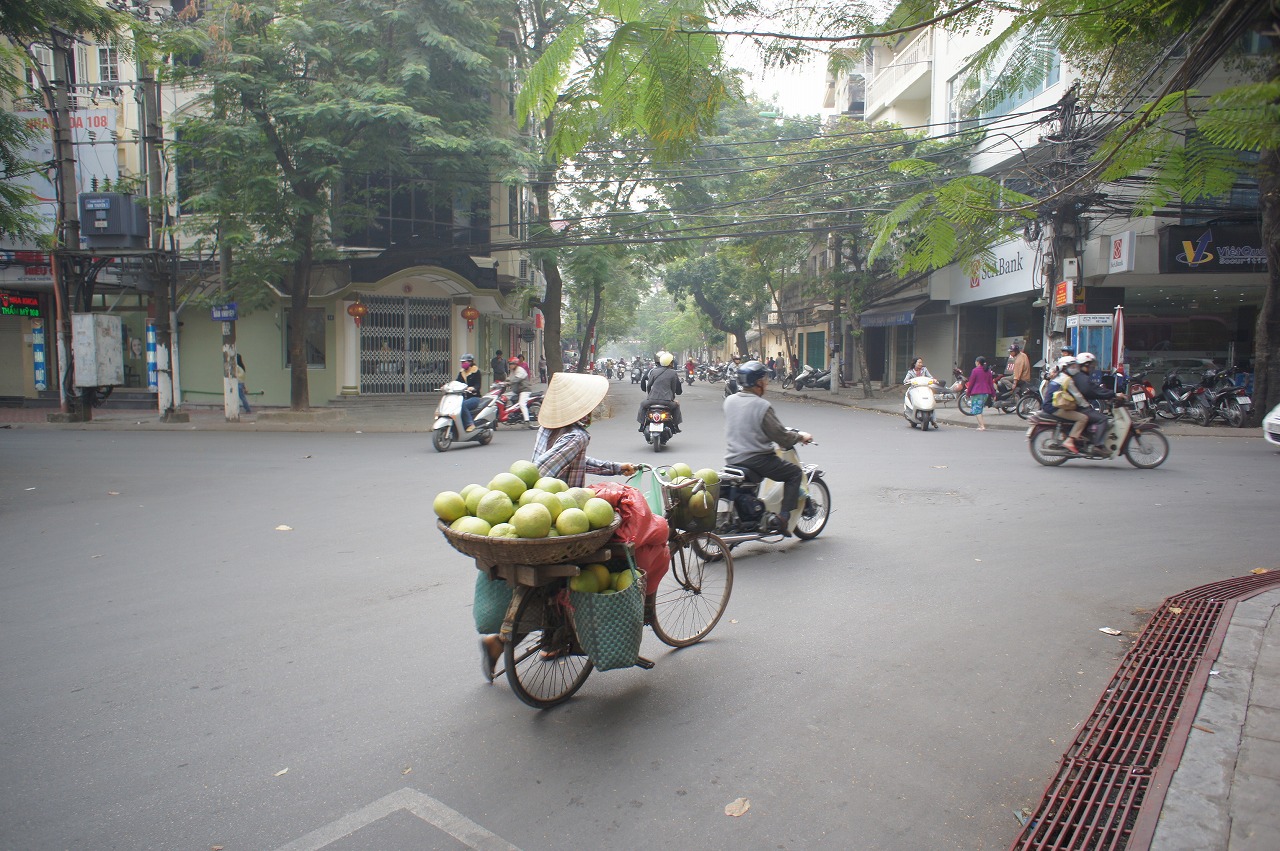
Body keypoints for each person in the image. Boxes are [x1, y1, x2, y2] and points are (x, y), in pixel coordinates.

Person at [478, 373, 637, 679]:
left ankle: (544, 640)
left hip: (533, 513)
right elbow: (540, 473)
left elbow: (573, 459)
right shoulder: (577, 435)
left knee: (549, 583)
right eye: (588, 407)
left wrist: (615, 468)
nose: (592, 411)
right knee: (592, 566)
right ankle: (520, 639)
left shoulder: (550, 429)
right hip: (554, 516)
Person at [723, 360, 813, 536]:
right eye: (764, 379)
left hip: (732, 458)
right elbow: (781, 437)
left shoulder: (730, 401)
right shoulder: (762, 406)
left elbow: (745, 425)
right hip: (758, 459)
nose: (766, 382)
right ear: (757, 383)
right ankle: (784, 518)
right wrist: (800, 436)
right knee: (794, 473)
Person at [1041, 355, 1089, 454]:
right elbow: (1078, 396)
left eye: (1075, 366)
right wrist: (1087, 406)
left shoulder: (1057, 376)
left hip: (1048, 405)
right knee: (1083, 418)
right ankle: (1070, 440)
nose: (1074, 369)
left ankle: (1066, 436)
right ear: (1064, 367)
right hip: (1054, 407)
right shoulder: (1067, 379)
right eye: (1072, 367)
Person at [1071, 352, 1117, 451]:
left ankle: (1088, 438)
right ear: (1085, 365)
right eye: (1090, 365)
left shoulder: (1080, 376)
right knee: (1103, 419)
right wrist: (1112, 394)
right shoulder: (1082, 378)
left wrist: (1108, 395)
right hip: (1080, 407)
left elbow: (1094, 390)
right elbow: (1093, 390)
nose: (1092, 368)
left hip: (1079, 405)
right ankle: (1098, 445)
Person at [639, 351, 683, 432]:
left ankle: (642, 425)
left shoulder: (654, 371)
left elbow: (648, 385)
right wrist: (672, 399)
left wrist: (649, 396)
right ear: (670, 363)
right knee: (676, 406)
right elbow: (673, 389)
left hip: (652, 400)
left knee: (642, 405)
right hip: (667, 401)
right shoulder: (673, 373)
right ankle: (676, 426)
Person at [966, 356, 998, 430]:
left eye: (975, 361)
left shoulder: (975, 371)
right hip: (986, 393)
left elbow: (971, 383)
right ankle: (980, 425)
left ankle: (982, 426)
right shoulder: (988, 371)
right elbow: (991, 383)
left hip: (977, 392)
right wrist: (993, 394)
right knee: (980, 409)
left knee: (977, 410)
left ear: (978, 362)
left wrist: (968, 393)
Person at [456, 353, 483, 432]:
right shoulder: (461, 373)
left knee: (462, 405)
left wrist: (473, 388)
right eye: (462, 362)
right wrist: (447, 386)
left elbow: (478, 385)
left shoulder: (476, 372)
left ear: (470, 362)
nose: (462, 364)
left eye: (464, 362)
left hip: (475, 398)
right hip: (463, 397)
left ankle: (470, 424)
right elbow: (457, 382)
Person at [506, 356, 532, 422]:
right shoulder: (513, 371)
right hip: (517, 391)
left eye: (511, 364)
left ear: (515, 364)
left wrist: (507, 383)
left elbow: (515, 380)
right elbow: (509, 378)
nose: (510, 366)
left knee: (522, 404)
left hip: (524, 390)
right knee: (504, 397)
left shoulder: (520, 370)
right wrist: (501, 382)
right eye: (509, 364)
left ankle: (527, 420)